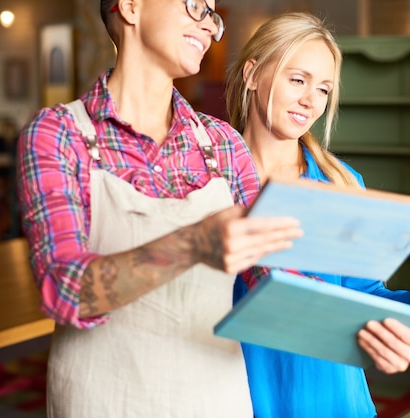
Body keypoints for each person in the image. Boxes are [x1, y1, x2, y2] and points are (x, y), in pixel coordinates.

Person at [16, 1, 303, 417]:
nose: (211, 27)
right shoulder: (58, 134)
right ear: (131, 6)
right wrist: (191, 243)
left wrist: (362, 324)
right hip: (102, 403)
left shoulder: (223, 144)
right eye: (194, 5)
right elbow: (66, 291)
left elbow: (273, 278)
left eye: (212, 13)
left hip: (217, 400)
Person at [226, 12, 410, 417]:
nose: (310, 100)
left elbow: (364, 296)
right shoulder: (210, 175)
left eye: (323, 89)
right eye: (297, 79)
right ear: (252, 74)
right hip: (241, 390)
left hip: (334, 398)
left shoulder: (342, 183)